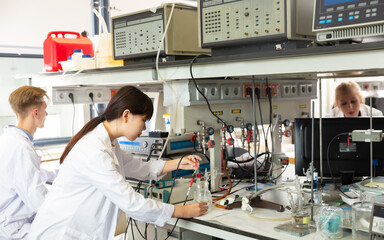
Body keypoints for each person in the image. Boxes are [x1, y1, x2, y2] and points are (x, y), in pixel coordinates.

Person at [29, 86, 208, 240]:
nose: (144, 127)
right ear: (126, 115)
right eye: (143, 120)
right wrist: (182, 211)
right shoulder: (95, 150)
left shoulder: (109, 143)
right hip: (61, 233)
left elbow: (138, 167)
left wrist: (177, 163)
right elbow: (132, 203)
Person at [0, 86, 56, 239]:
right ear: (35, 113)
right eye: (45, 110)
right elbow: (37, 197)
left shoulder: (8, 139)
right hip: (14, 228)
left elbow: (26, 174)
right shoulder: (22, 147)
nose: (46, 114)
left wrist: (58, 174)